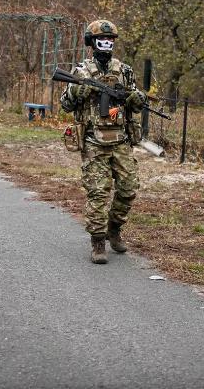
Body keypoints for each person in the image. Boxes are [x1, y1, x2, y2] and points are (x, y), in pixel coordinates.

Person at [60, 19, 147, 264]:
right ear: (92, 42)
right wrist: (77, 92)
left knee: (128, 188)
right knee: (98, 193)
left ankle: (114, 229)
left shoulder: (125, 70)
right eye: (102, 40)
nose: (107, 44)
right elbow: (65, 104)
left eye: (110, 40)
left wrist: (135, 100)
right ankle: (98, 242)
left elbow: (132, 100)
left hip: (120, 139)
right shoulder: (81, 71)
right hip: (93, 141)